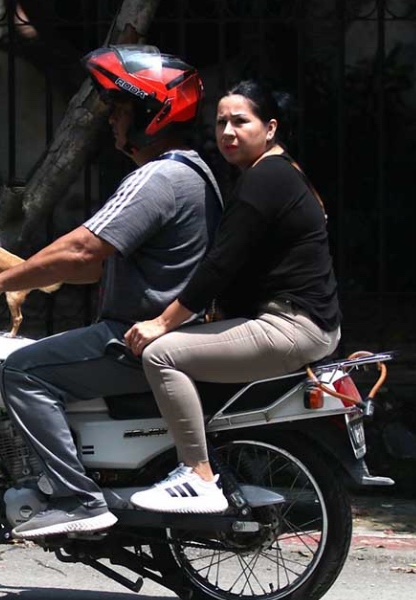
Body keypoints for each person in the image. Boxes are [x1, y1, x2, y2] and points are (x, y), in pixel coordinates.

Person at [0, 45, 223, 538]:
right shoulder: (191, 172)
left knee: (22, 371)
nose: (112, 118)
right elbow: (89, 270)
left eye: (120, 107)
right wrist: (36, 276)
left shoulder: (160, 177)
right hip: (151, 334)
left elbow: (82, 251)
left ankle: (75, 498)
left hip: (134, 339)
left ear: (150, 112)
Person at [124, 80, 342, 514]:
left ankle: (198, 474)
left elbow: (220, 265)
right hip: (302, 322)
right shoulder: (280, 173)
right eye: (221, 122)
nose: (228, 132)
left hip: (290, 326)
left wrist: (162, 323)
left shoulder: (265, 180)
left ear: (270, 127)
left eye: (241, 121)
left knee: (161, 354)